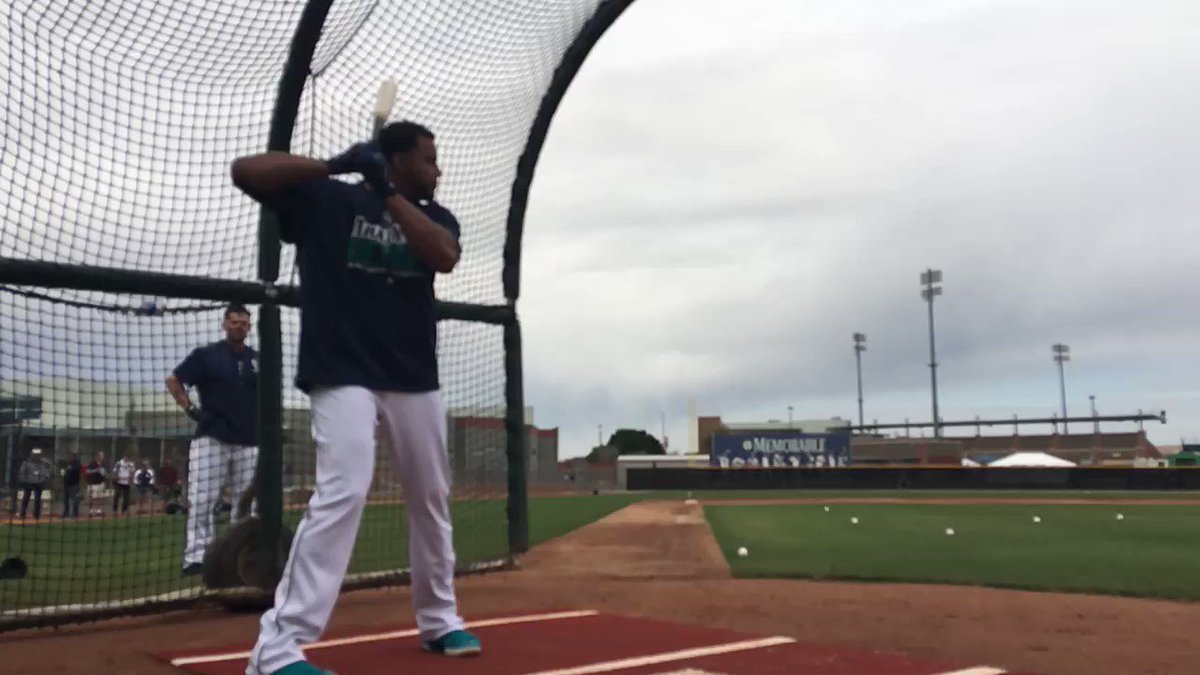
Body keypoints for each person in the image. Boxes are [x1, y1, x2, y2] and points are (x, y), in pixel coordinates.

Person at [230, 121, 479, 675]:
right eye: (429, 160)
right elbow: (246, 172)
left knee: (432, 500)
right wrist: (334, 165)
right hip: (341, 371)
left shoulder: (434, 217)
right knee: (343, 491)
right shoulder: (326, 199)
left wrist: (387, 193)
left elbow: (443, 256)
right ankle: (277, 648)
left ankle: (440, 620)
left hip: (412, 376)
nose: (438, 170)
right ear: (399, 159)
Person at [165, 303, 259, 576]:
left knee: (247, 502)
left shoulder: (257, 359)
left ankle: (242, 556)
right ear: (224, 325)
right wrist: (188, 407)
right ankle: (196, 557)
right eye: (234, 322)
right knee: (202, 498)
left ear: (249, 327)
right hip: (212, 436)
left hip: (249, 439)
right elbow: (174, 380)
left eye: (243, 322)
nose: (239, 326)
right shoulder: (207, 355)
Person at [18, 448, 51, 520]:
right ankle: (22, 513)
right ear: (32, 455)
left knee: (37, 499)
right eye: (35, 455)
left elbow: (46, 472)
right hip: (29, 483)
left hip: (39, 483)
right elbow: (22, 472)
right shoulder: (26, 462)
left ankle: (36, 514)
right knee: (26, 498)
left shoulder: (44, 463)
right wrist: (24, 480)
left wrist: (44, 479)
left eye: (38, 455)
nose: (37, 456)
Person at [61, 452, 82, 519]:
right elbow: (63, 471)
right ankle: (66, 513)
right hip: (66, 484)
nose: (69, 457)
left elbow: (75, 469)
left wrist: (68, 470)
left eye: (70, 456)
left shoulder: (77, 463)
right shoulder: (66, 463)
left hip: (74, 484)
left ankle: (75, 514)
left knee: (74, 500)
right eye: (68, 456)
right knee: (65, 500)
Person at [84, 452, 106, 516]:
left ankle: (98, 510)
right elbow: (87, 471)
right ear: (97, 457)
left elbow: (104, 473)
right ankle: (91, 510)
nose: (102, 458)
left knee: (99, 497)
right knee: (93, 497)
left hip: (100, 483)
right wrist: (95, 470)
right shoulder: (92, 464)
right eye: (101, 457)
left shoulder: (103, 465)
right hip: (93, 483)